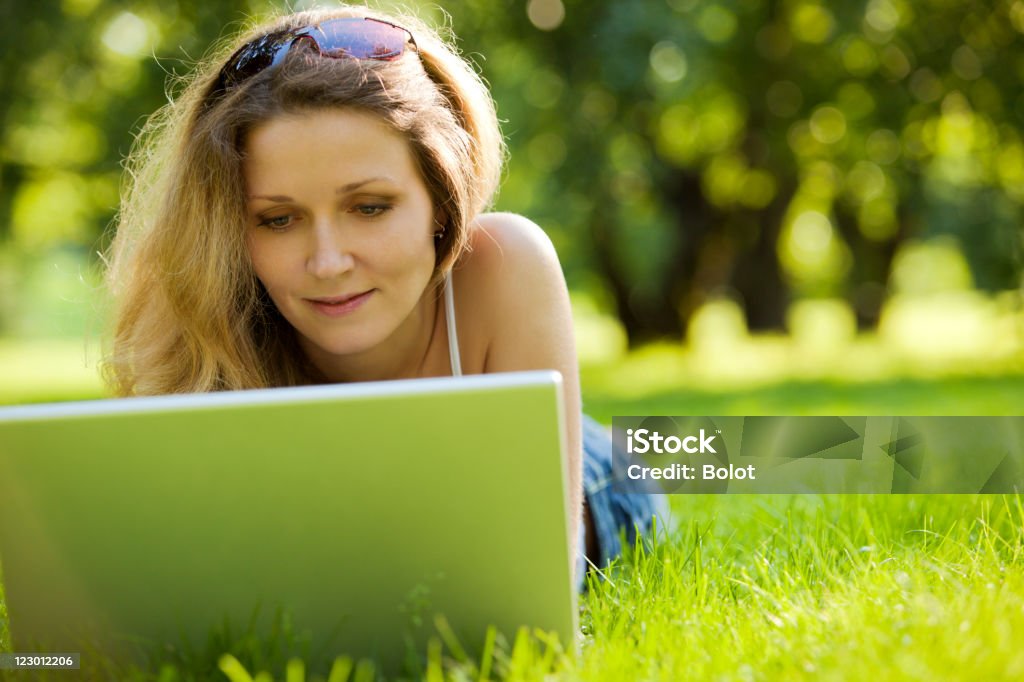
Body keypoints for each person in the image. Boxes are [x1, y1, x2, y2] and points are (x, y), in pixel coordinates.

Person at [103, 5, 663, 591]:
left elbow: (546, 584)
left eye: (369, 208)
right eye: (278, 219)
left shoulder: (504, 261)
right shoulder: (201, 317)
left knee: (725, 453)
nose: (327, 262)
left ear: (443, 202)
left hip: (597, 480)